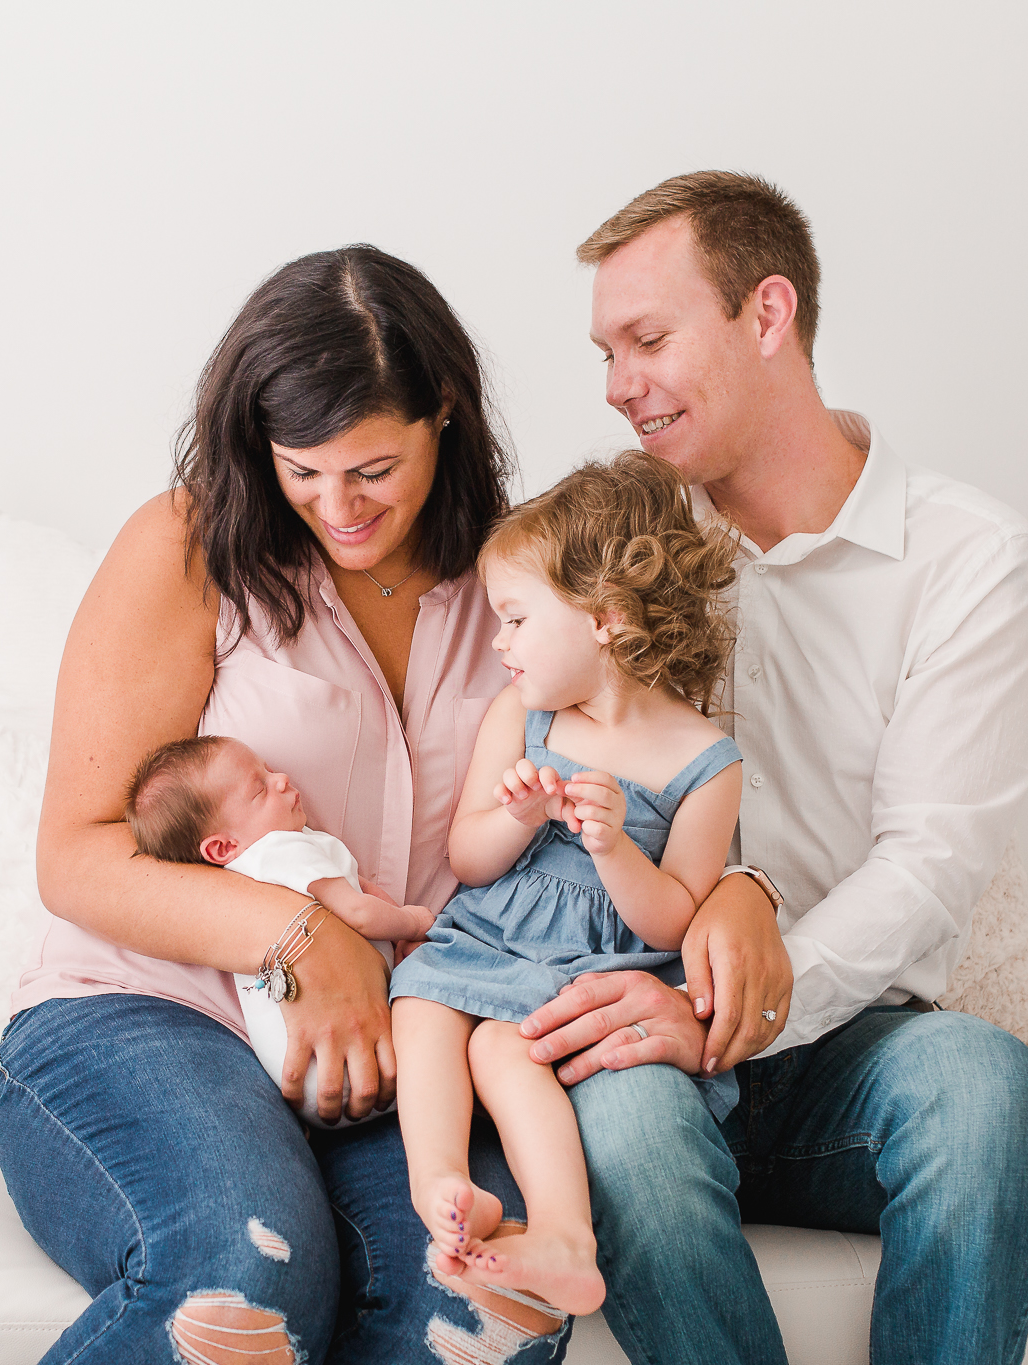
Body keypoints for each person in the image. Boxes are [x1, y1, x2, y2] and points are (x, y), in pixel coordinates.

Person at [0, 244, 796, 1365]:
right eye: (301, 470)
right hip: (152, 1016)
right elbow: (76, 858)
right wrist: (300, 935)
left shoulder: (529, 581)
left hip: (408, 1055)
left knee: (478, 1307)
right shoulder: (186, 547)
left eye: (370, 468)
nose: (335, 505)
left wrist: (736, 892)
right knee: (246, 1276)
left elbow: (658, 773)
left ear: (444, 419)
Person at [517, 171, 1028, 1363]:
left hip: (845, 1043)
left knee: (983, 1091)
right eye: (604, 353)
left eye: (647, 340)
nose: (617, 388)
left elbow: (929, 862)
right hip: (635, 1036)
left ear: (767, 316)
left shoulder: (967, 562)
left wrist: (745, 983)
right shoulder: (609, 551)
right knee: (625, 1136)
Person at [388, 452, 746, 1318]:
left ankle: (562, 1235)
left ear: (605, 620)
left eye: (513, 619)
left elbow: (677, 914)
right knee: (422, 1005)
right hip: (491, 940)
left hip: (599, 975)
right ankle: (441, 1185)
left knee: (502, 1047)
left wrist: (614, 844)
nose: (499, 643)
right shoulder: (524, 716)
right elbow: (467, 857)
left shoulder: (705, 761)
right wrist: (518, 815)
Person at [122, 732, 432, 1125]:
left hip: (308, 1085)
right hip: (360, 1059)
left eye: (268, 770)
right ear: (221, 847)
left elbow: (359, 888)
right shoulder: (281, 851)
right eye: (259, 789)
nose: (282, 779)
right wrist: (415, 922)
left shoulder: (243, 878)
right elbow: (360, 911)